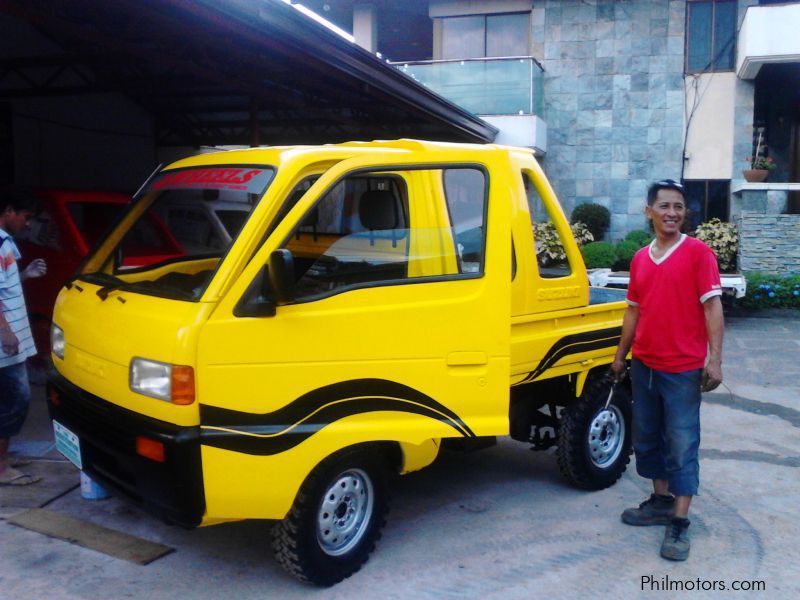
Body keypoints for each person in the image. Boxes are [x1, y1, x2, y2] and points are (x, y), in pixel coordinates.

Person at [611, 179, 724, 561]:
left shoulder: (698, 254)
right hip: (645, 365)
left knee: (682, 442)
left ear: (684, 213)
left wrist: (716, 359)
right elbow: (633, 310)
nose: (672, 213)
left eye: (678, 206)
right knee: (647, 438)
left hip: (682, 369)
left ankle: (679, 520)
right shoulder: (641, 258)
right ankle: (660, 500)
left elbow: (712, 308)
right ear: (649, 211)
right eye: (664, 206)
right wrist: (620, 354)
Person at [0, 187, 47, 486]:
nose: (28, 224)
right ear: (8, 211)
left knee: (9, 400)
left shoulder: (6, 243)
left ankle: (2, 458)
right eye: (26, 217)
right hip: (4, 343)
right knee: (16, 399)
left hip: (8, 339)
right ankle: (2, 468)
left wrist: (25, 275)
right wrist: (5, 331)